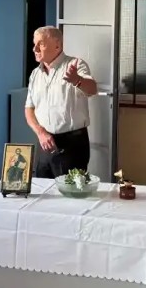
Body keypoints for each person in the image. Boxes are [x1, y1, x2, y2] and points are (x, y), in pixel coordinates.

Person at [25, 26, 97, 179]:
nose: (35, 49)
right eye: (34, 44)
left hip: (72, 145)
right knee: (43, 189)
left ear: (57, 45)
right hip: (44, 142)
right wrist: (40, 132)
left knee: (72, 191)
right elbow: (29, 109)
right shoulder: (35, 74)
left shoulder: (75, 64)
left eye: (41, 44)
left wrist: (77, 80)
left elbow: (92, 89)